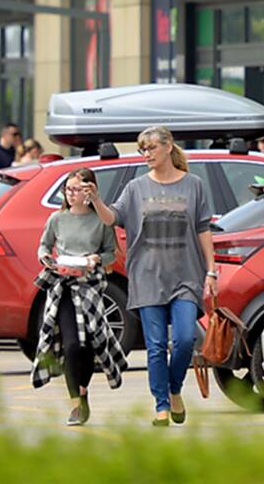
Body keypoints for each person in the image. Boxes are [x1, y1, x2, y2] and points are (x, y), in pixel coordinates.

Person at [85, 124, 215, 426]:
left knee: (184, 340)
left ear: (168, 147)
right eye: (142, 149)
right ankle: (161, 405)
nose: (146, 154)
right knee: (156, 346)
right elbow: (112, 218)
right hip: (146, 276)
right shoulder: (136, 188)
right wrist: (95, 200)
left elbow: (203, 228)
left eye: (151, 148)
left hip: (186, 276)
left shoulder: (193, 185)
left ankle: (174, 390)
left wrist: (211, 271)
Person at [31, 167, 124, 425]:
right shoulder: (57, 219)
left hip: (91, 287)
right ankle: (76, 404)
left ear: (90, 190)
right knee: (72, 344)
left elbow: (110, 254)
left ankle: (82, 390)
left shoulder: (101, 221)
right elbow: (43, 245)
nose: (72, 194)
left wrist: (96, 259)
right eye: (68, 189)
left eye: (78, 189)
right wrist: (45, 258)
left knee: (90, 343)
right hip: (63, 287)